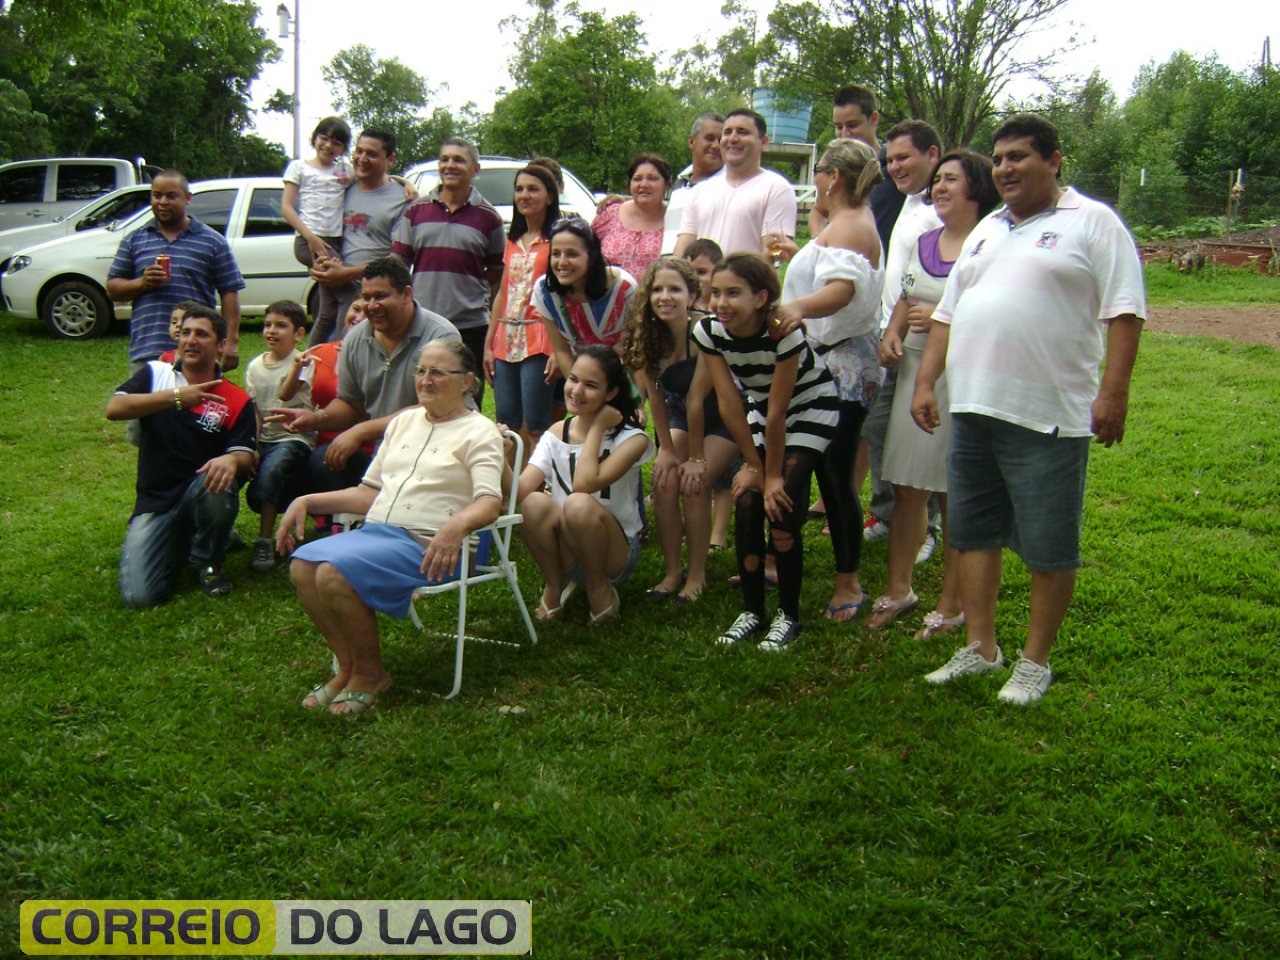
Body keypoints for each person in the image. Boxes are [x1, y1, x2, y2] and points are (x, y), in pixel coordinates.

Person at [912, 114, 1145, 704]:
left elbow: (1125, 311)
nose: (1005, 167)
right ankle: (982, 649)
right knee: (974, 532)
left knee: (1047, 543)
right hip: (972, 408)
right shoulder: (989, 227)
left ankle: (1035, 661)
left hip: (1048, 413)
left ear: (1055, 159)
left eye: (1019, 156)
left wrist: (1113, 392)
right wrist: (926, 383)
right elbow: (947, 314)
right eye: (999, 157)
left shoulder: (1093, 222)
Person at [276, 340, 504, 715]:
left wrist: (455, 527)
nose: (425, 381)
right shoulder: (403, 423)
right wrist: (306, 500)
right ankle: (347, 667)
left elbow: (489, 502)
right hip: (380, 535)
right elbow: (369, 494)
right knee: (303, 566)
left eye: (437, 373)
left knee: (333, 573)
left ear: (467, 382)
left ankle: (369, 674)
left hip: (435, 545)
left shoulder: (479, 432)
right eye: (420, 371)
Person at [870, 149, 999, 634]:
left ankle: (952, 602)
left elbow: (996, 314)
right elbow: (906, 296)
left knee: (953, 494)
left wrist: (948, 320)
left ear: (976, 189)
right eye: (938, 180)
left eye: (951, 180)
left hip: (961, 377)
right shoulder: (925, 240)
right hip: (913, 374)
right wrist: (893, 332)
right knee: (907, 488)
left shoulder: (989, 245)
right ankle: (899, 588)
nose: (939, 188)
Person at [694, 254, 840, 650]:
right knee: (747, 499)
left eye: (733, 294)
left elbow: (781, 412)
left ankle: (788, 615)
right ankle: (753, 611)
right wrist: (753, 467)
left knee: (782, 502)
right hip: (762, 409)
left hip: (809, 407)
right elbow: (729, 403)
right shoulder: (709, 332)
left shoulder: (783, 334)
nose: (721, 302)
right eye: (716, 293)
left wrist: (772, 474)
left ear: (760, 298)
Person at [767, 138, 886, 623]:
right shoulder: (844, 222)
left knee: (835, 477)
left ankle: (848, 581)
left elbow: (842, 291)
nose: (815, 184)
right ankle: (779, 559)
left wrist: (794, 307)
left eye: (818, 174)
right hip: (818, 364)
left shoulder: (853, 226)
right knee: (804, 466)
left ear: (832, 176)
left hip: (840, 368)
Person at [106, 304, 256, 607]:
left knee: (218, 480)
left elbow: (246, 455)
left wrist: (231, 459)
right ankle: (184, 539)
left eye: (201, 334)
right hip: (156, 499)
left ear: (220, 345)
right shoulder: (155, 374)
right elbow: (114, 409)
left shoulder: (237, 399)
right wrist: (176, 397)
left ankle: (208, 561)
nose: (190, 340)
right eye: (185, 332)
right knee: (141, 597)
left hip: (201, 489)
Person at [269, 257, 459, 494]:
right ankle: (342, 521)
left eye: (380, 296)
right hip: (385, 449)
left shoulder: (440, 336)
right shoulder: (356, 338)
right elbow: (350, 403)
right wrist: (316, 418)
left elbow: (432, 409)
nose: (371, 305)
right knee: (324, 461)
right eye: (366, 297)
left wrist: (361, 431)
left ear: (407, 294)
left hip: (436, 448)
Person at [622, 257, 736, 604]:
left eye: (674, 289)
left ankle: (697, 575)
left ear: (692, 295)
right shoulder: (647, 337)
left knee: (694, 484)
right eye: (657, 290)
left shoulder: (705, 332)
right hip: (681, 414)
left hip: (726, 417)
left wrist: (697, 458)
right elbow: (655, 397)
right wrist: (668, 451)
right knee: (664, 480)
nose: (665, 297)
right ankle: (672, 572)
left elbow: (698, 401)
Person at [516, 346, 653, 625]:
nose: (576, 391)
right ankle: (556, 584)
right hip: (569, 546)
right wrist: (498, 450)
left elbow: (584, 484)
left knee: (577, 502)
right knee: (532, 502)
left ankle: (597, 586)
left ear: (611, 393)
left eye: (590, 385)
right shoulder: (556, 433)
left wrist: (598, 428)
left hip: (615, 552)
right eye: (573, 379)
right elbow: (519, 490)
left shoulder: (632, 439)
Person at [860, 120, 944, 552]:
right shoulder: (909, 204)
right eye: (889, 159)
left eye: (903, 157)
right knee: (878, 428)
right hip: (893, 334)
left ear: (933, 154)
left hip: (929, 341)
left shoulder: (941, 209)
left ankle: (926, 527)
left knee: (920, 434)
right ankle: (891, 516)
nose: (894, 167)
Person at [390, 138, 505, 393]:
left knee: (466, 396)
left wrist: (467, 289)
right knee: (419, 395)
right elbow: (399, 265)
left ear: (475, 169)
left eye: (458, 160)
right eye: (445, 159)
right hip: (421, 322)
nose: (450, 165)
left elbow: (497, 269)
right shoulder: (416, 211)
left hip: (470, 325)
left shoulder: (489, 217)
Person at [106, 170, 245, 371]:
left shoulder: (213, 241)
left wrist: (231, 342)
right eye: (157, 195)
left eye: (171, 196)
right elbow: (113, 289)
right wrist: (142, 283)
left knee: (196, 401)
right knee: (149, 403)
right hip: (148, 349)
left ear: (188, 198)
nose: (163, 202)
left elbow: (230, 292)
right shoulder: (134, 239)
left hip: (198, 349)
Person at [484, 164, 561, 461]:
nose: (524, 195)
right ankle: (509, 489)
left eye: (533, 189)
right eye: (519, 189)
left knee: (537, 423)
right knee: (506, 421)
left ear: (550, 196)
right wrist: (490, 344)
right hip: (506, 338)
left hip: (540, 337)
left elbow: (564, 298)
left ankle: (536, 487)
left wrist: (558, 348)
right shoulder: (512, 241)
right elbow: (502, 293)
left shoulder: (557, 240)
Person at [308, 128, 410, 342]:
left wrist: (346, 273)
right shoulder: (344, 187)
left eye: (371, 154)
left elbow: (399, 259)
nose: (362, 159)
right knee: (326, 349)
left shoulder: (403, 200)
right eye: (359, 151)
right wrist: (323, 264)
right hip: (337, 290)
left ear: (390, 159)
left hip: (378, 299)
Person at [244, 300, 314, 572]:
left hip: (293, 438)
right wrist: (253, 445)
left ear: (298, 333)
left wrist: (296, 367)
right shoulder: (254, 366)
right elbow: (255, 410)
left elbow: (285, 395)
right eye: (267, 325)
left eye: (281, 326)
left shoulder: (303, 362)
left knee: (272, 471)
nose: (271, 331)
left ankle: (264, 540)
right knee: (238, 463)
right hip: (265, 438)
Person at [674, 109, 797, 259]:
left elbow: (771, 253)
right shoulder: (699, 191)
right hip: (701, 282)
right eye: (727, 132)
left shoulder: (777, 189)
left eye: (742, 132)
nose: (732, 138)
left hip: (751, 281)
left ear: (763, 142)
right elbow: (682, 252)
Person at [531, 217, 637, 378]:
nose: (562, 262)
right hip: (579, 373)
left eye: (572, 254)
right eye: (556, 254)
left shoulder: (625, 288)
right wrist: (578, 388)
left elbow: (635, 349)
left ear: (592, 257)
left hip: (622, 375)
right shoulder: (545, 291)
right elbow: (561, 350)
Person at [281, 117, 353, 345]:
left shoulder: (344, 169)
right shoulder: (299, 167)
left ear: (343, 148)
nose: (328, 146)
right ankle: (341, 353)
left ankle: (310, 362)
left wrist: (405, 183)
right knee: (349, 296)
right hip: (309, 241)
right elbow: (286, 207)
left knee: (328, 309)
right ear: (315, 138)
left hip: (335, 241)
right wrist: (311, 237)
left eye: (336, 143)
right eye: (324, 138)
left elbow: (375, 178)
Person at [592, 153, 671, 280]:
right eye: (637, 179)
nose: (644, 184)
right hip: (608, 297)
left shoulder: (676, 219)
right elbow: (586, 253)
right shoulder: (610, 214)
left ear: (667, 184)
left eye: (652, 178)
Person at [662, 113, 724, 253]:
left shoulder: (727, 187)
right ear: (691, 141)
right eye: (709, 138)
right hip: (667, 267)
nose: (716, 145)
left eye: (721, 140)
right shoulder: (680, 181)